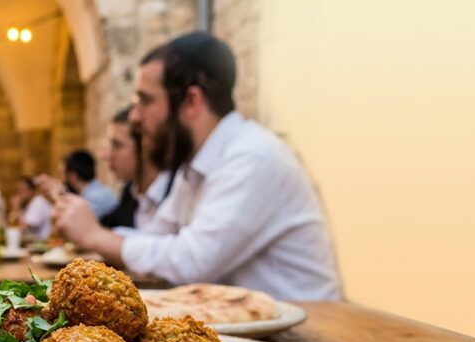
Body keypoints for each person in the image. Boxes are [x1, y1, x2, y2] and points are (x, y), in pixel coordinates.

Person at [52, 32, 341, 301]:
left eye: (145, 100)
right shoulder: (195, 164)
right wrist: (88, 226)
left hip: (305, 337)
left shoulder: (252, 156)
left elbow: (192, 262)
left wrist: (94, 235)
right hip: (251, 332)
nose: (136, 118)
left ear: (191, 101)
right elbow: (156, 237)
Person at [36, 150, 117, 220]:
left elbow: (72, 224)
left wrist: (56, 197)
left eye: (61, 174)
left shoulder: (96, 196)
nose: (60, 179)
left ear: (73, 176)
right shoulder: (90, 192)